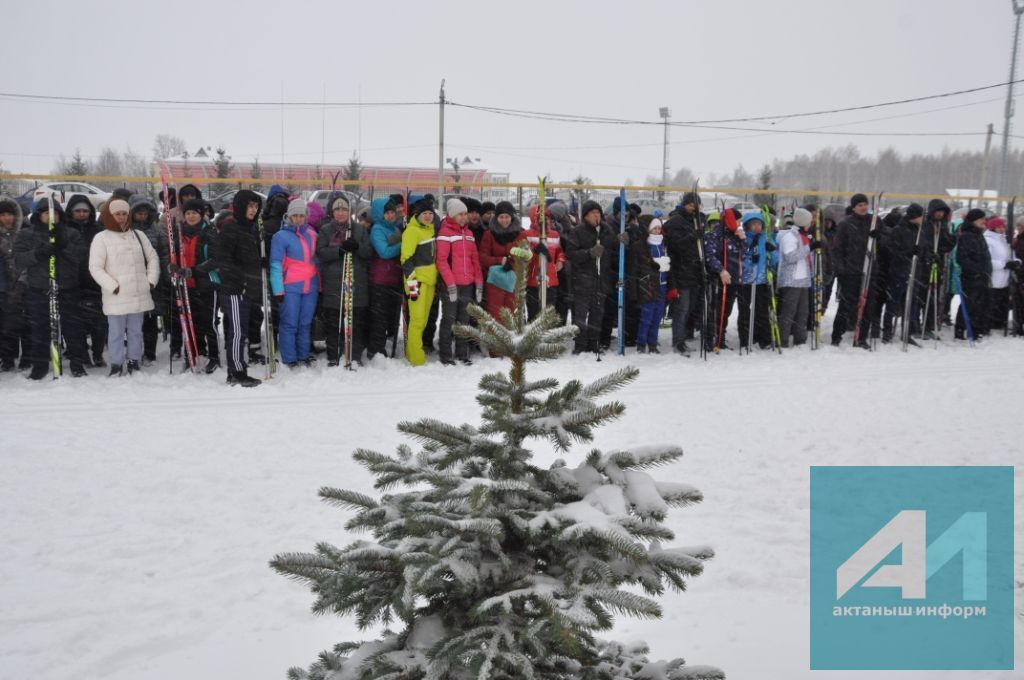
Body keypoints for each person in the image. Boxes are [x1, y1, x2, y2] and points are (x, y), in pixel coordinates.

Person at [13, 198, 89, 379]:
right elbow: (19, 259)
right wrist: (38, 253)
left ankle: (77, 364)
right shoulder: (27, 235)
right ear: (39, 216)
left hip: (67, 288)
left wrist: (64, 246)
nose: (51, 217)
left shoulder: (70, 233)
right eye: (47, 213)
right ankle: (39, 366)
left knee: (73, 329)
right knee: (40, 329)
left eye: (54, 213)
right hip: (39, 288)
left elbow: (80, 256)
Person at [88, 198, 160, 376]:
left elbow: (152, 258)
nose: (121, 217)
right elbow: (95, 267)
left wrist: (150, 281)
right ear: (110, 216)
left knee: (136, 331)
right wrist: (113, 286)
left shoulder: (139, 235)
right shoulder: (101, 238)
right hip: (117, 295)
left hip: (138, 293)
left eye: (124, 214)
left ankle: (134, 360)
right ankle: (116, 363)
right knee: (116, 333)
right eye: (117, 214)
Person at [206, 190, 264, 386]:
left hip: (245, 290)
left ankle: (237, 369)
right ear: (240, 207)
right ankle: (237, 372)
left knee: (241, 331)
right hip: (234, 290)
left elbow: (247, 257)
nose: (253, 210)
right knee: (237, 332)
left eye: (256, 206)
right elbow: (224, 260)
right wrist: (240, 280)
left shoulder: (250, 228)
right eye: (250, 206)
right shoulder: (232, 229)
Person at [317, 193, 371, 366]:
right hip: (334, 283)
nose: (341, 213)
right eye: (337, 210)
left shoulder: (359, 229)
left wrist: (357, 247)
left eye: (344, 210)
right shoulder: (326, 230)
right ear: (332, 212)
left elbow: (368, 253)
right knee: (334, 322)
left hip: (356, 282)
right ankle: (334, 354)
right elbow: (321, 252)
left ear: (349, 212)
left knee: (355, 321)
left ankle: (354, 355)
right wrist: (338, 251)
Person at [270, 199, 320, 368]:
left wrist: (320, 284)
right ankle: (290, 357)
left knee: (305, 323)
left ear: (306, 216)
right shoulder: (280, 236)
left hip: (310, 285)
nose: (298, 219)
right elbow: (275, 264)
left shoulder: (312, 234)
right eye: (295, 215)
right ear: (288, 216)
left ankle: (303, 355)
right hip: (290, 285)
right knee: (290, 322)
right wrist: (278, 290)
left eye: (301, 215)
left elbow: (317, 260)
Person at [172, 199, 222, 373]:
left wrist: (194, 271)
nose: (191, 216)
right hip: (187, 287)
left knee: (209, 323)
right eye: (188, 213)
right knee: (192, 323)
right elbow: (175, 256)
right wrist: (174, 266)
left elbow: (216, 259)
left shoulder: (210, 232)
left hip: (207, 284)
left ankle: (214, 356)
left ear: (201, 214)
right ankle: (195, 352)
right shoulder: (180, 234)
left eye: (194, 213)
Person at [563, 200, 616, 354]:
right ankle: (580, 345)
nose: (596, 216)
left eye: (598, 213)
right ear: (585, 216)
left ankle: (594, 344)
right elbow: (570, 254)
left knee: (597, 315)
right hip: (582, 281)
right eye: (593, 213)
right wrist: (589, 253)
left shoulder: (606, 230)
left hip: (601, 281)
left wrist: (622, 240)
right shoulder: (577, 231)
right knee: (580, 316)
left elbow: (614, 247)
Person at [435, 198, 483, 365]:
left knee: (464, 319)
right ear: (452, 215)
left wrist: (479, 283)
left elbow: (475, 261)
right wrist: (450, 284)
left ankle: (463, 353)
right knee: (449, 319)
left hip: (467, 284)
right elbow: (441, 261)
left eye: (465, 214)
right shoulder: (445, 233)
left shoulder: (469, 234)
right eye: (459, 214)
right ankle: (446, 354)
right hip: (451, 286)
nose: (463, 217)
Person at [830, 193, 882, 348]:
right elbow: (837, 249)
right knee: (846, 305)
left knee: (868, 305)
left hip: (870, 269)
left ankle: (861, 337)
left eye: (865, 204)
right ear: (854, 207)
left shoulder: (874, 222)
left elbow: (886, 240)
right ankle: (836, 336)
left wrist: (878, 236)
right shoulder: (846, 224)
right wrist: (841, 269)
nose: (863, 207)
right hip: (851, 270)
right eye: (859, 205)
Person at [65, 194, 106, 367]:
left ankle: (97, 353)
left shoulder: (97, 230)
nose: (82, 214)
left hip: (96, 281)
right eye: (78, 211)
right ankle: (82, 354)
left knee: (99, 323)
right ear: (71, 212)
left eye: (85, 211)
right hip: (72, 282)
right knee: (76, 323)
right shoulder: (64, 229)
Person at [662, 192, 705, 354]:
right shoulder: (676, 221)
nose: (694, 208)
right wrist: (692, 236)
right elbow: (674, 245)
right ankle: (678, 342)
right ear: (685, 204)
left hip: (695, 271)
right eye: (691, 204)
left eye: (696, 205)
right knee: (682, 308)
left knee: (691, 307)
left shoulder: (697, 220)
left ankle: (685, 337)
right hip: (681, 271)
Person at [130, 195, 170, 363]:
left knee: (150, 319)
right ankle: (133, 353)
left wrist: (165, 276)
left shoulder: (156, 231)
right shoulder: (125, 230)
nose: (142, 216)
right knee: (133, 321)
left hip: (153, 281)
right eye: (138, 213)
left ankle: (149, 352)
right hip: (131, 281)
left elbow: (164, 254)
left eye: (145, 213)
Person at [878, 203, 923, 344]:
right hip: (899, 271)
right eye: (921, 216)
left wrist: (923, 254)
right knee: (893, 302)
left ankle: (907, 332)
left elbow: (923, 249)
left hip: (914, 271)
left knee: (911, 304)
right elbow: (892, 251)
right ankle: (887, 331)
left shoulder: (919, 230)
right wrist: (908, 254)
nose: (923, 219)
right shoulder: (899, 230)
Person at [400, 199, 438, 366]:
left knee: (423, 320)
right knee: (416, 320)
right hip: (416, 282)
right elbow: (405, 259)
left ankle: (414, 351)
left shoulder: (430, 230)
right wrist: (412, 283)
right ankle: (416, 357)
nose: (428, 216)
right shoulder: (412, 231)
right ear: (418, 215)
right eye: (425, 213)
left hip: (429, 281)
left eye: (430, 213)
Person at [478, 199, 528, 323]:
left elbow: (526, 256)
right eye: (501, 217)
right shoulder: (489, 234)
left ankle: (511, 341)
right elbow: (482, 257)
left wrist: (513, 262)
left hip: (514, 279)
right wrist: (500, 260)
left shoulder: (520, 234)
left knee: (512, 313)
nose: (504, 220)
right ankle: (495, 341)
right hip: (495, 281)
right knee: (495, 314)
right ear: (496, 218)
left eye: (507, 217)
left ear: (512, 217)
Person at [368, 197, 405, 359]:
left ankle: (382, 346)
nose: (391, 216)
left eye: (392, 212)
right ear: (379, 214)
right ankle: (376, 349)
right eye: (387, 213)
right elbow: (384, 252)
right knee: (379, 317)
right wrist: (404, 244)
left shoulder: (394, 229)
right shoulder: (377, 229)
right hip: (380, 279)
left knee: (390, 316)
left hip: (393, 278)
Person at [704, 207, 745, 351]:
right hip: (718, 279)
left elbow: (743, 255)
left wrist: (742, 240)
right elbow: (709, 255)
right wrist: (721, 270)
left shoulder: (735, 235)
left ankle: (720, 338)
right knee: (715, 309)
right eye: (737, 221)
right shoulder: (715, 235)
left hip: (733, 279)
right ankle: (711, 339)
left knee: (726, 310)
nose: (739, 224)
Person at [776, 207, 816, 347]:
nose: (811, 224)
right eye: (809, 222)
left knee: (802, 312)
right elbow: (791, 257)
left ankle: (800, 339)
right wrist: (808, 248)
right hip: (791, 280)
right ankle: (783, 340)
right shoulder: (789, 237)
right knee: (788, 312)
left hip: (803, 280)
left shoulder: (803, 236)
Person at [737, 211, 775, 351]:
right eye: (753, 224)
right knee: (745, 311)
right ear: (747, 226)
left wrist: (772, 252)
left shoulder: (764, 238)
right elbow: (740, 256)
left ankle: (763, 338)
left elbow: (772, 256)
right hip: (746, 281)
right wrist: (749, 259)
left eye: (758, 224)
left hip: (761, 281)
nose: (756, 227)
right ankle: (745, 339)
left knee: (762, 311)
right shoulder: (744, 238)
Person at [523, 201, 566, 321]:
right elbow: (522, 255)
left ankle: (547, 337)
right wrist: (534, 250)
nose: (545, 221)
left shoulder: (554, 234)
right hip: (533, 279)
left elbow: (559, 251)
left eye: (547, 218)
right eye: (542, 218)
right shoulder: (526, 234)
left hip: (551, 279)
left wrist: (560, 261)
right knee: (534, 312)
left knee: (549, 312)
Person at [0, 196, 29, 371]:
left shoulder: (25, 232)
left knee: (26, 324)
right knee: (6, 326)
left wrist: (21, 283)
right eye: (2, 214)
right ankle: (8, 358)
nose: (6, 218)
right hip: (4, 288)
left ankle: (27, 357)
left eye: (9, 214)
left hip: (25, 285)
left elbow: (29, 260)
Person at [954, 209, 992, 340]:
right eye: (981, 219)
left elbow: (985, 255)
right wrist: (976, 270)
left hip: (982, 276)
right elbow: (961, 258)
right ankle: (961, 329)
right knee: (969, 303)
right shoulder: (967, 236)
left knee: (979, 305)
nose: (984, 221)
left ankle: (975, 330)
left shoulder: (979, 235)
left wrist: (987, 270)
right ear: (973, 221)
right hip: (971, 277)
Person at [634, 218, 669, 353]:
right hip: (649, 285)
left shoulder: (663, 244)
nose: (657, 231)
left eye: (659, 228)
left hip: (662, 284)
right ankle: (641, 343)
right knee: (646, 317)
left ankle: (653, 343)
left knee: (657, 317)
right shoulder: (644, 245)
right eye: (654, 228)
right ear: (648, 229)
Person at [983, 216, 1020, 333]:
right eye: (999, 227)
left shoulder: (1005, 240)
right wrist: (1004, 265)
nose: (1002, 229)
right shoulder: (987, 240)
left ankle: (999, 321)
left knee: (1002, 303)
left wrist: (1016, 262)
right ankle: (988, 323)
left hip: (1005, 280)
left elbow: (1012, 256)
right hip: (993, 278)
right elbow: (987, 261)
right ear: (993, 227)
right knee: (991, 302)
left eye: (1003, 226)